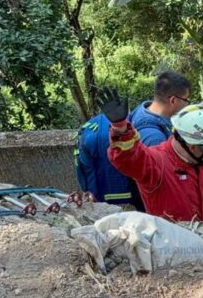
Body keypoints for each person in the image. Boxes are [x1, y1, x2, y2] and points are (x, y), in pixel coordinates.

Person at [99, 88, 203, 224]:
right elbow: (129, 158)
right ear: (193, 146)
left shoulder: (201, 163)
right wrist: (120, 128)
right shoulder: (157, 164)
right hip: (174, 237)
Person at [74, 71, 191, 210]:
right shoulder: (153, 137)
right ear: (173, 100)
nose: (187, 104)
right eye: (186, 100)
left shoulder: (144, 109)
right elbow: (160, 180)